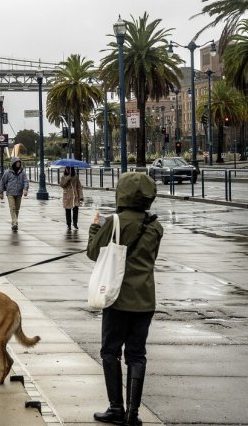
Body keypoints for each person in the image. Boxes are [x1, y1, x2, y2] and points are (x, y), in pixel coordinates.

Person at [87, 172, 163, 426]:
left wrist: (95, 228)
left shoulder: (115, 221)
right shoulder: (155, 226)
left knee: (110, 351)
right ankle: (133, 413)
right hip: (145, 299)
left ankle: (116, 408)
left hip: (117, 297)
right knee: (136, 355)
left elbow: (93, 252)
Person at [0, 157, 29, 232]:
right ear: (13, 163)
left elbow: (26, 181)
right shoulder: (7, 172)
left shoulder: (22, 172)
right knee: (12, 208)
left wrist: (25, 189)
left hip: (19, 193)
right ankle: (15, 223)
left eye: (19, 162)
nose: (18, 163)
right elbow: (2, 182)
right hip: (10, 193)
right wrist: (1, 192)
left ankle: (14, 223)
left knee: (17, 209)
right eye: (17, 162)